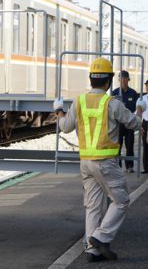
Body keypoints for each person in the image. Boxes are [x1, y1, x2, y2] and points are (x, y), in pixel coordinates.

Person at [53, 58, 145, 262]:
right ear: (109, 81)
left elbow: (65, 126)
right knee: (121, 201)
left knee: (93, 205)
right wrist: (139, 109)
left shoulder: (79, 101)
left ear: (91, 79)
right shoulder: (112, 103)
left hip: (85, 162)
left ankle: (92, 251)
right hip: (105, 162)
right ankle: (100, 237)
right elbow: (134, 124)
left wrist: (59, 110)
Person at [112, 70, 139, 173]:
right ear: (119, 79)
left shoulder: (133, 93)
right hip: (118, 125)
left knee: (130, 145)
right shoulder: (114, 93)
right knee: (117, 146)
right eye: (121, 78)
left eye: (125, 78)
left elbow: (136, 108)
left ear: (128, 79)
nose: (123, 80)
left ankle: (129, 166)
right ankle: (117, 167)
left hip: (129, 124)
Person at [141, 80, 148, 174]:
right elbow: (138, 113)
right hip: (144, 123)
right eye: (146, 85)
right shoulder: (142, 98)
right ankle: (146, 167)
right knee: (145, 146)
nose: (147, 87)